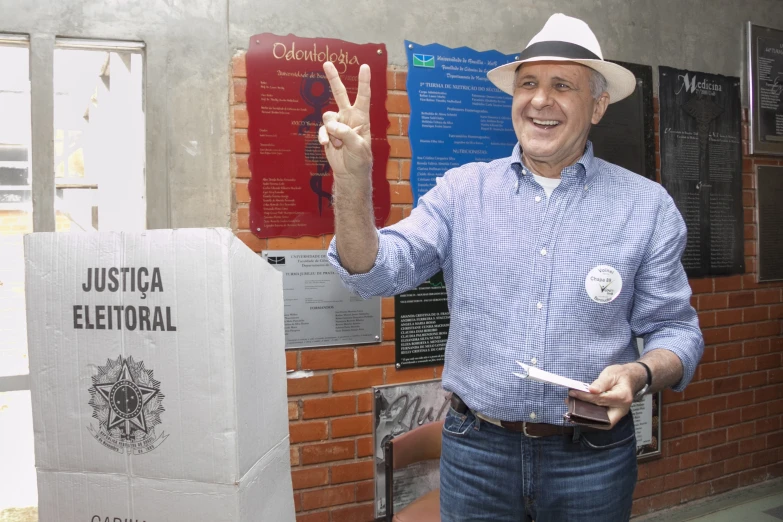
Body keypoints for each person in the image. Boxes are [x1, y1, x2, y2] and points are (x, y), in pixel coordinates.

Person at [318, 13, 703, 522]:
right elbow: (377, 270)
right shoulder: (463, 191)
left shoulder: (645, 207)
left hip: (592, 459)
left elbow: (677, 331)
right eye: (528, 84)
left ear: (598, 105)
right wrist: (352, 183)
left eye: (561, 85)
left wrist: (640, 371)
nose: (540, 100)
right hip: (476, 453)